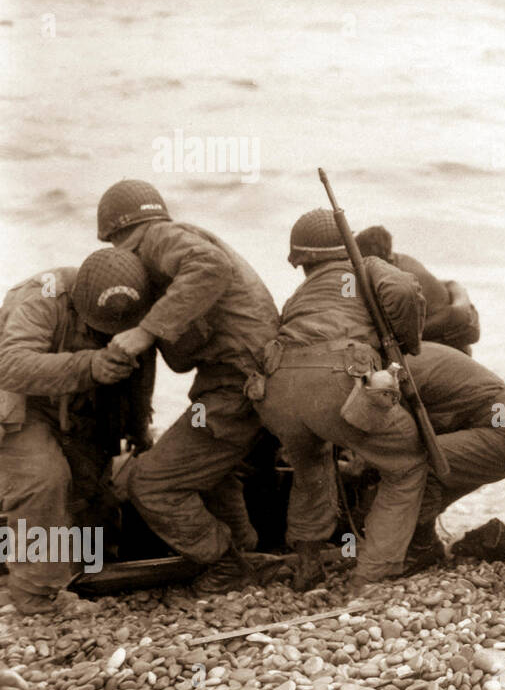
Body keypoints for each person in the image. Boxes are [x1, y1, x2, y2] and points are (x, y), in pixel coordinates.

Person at [96, 179, 277, 593]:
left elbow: (210, 267)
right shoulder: (168, 250)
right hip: (234, 382)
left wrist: (144, 331)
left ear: (117, 234)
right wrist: (141, 426)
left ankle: (224, 563)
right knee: (208, 471)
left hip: (238, 385)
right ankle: (245, 553)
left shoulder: (159, 239)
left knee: (151, 483)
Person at [255, 209, 429, 591]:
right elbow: (404, 290)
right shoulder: (365, 267)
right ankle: (372, 575)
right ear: (346, 246)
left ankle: (307, 565)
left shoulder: (300, 294)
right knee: (407, 462)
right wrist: (406, 343)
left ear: (302, 261)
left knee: (311, 469)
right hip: (337, 381)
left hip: (277, 389)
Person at [0, 249, 156, 615]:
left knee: (95, 497)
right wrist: (91, 365)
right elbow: (10, 365)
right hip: (19, 400)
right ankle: (37, 596)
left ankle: (85, 572)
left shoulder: (136, 304)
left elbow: (141, 366)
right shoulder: (43, 296)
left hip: (76, 404)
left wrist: (137, 428)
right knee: (44, 479)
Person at [380, 343, 505, 574]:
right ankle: (420, 540)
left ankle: (422, 547)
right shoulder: (403, 357)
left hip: (502, 429)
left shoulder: (395, 372)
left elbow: (394, 442)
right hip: (498, 423)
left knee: (415, 464)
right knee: (416, 467)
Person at [356, 225, 481, 354]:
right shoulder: (400, 260)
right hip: (449, 327)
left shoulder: (397, 276)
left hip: (446, 336)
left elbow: (405, 327)